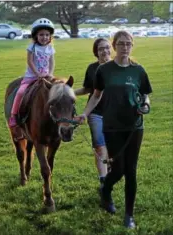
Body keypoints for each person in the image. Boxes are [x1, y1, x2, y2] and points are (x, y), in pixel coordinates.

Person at [76, 30, 152, 228]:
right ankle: (106, 191)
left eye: (128, 44)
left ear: (132, 46)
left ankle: (129, 216)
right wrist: (85, 113)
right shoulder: (104, 70)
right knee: (117, 170)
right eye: (121, 44)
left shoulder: (139, 70)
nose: (125, 47)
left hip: (134, 126)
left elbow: (145, 95)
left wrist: (146, 105)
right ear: (114, 45)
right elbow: (96, 95)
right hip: (111, 126)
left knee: (131, 171)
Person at [8, 18, 55, 137]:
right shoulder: (32, 47)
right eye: (41, 35)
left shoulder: (50, 48)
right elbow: (29, 61)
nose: (44, 37)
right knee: (20, 93)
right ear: (35, 36)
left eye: (47, 35)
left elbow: (51, 62)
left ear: (50, 36)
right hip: (31, 77)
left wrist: (50, 73)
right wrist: (37, 74)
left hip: (46, 77)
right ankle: (14, 116)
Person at [74, 38, 111, 189]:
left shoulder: (117, 67)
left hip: (115, 113)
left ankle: (109, 171)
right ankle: (104, 181)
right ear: (96, 52)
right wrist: (69, 92)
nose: (105, 51)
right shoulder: (92, 68)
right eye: (101, 48)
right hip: (95, 112)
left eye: (108, 48)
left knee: (113, 147)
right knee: (100, 146)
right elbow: (89, 89)